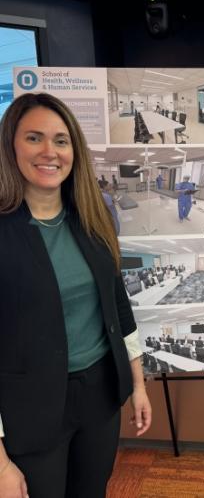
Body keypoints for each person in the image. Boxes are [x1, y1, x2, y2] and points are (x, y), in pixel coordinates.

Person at [0, 92, 152, 498]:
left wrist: (137, 384)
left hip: (99, 396)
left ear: (74, 151)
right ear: (11, 144)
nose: (50, 151)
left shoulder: (92, 216)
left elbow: (119, 307)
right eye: (34, 138)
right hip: (29, 408)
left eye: (61, 140)